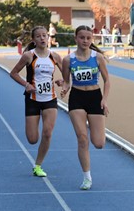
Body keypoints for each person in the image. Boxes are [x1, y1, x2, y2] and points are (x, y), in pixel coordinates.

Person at [9, 25, 64, 178]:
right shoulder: (29, 56)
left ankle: (38, 165)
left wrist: (63, 82)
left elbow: (67, 75)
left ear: (48, 37)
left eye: (44, 35)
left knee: (47, 133)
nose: (42, 38)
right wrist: (26, 84)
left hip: (50, 99)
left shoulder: (55, 56)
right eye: (38, 36)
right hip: (33, 99)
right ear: (33, 39)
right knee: (33, 139)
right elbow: (13, 73)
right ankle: (33, 126)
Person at [60, 25, 111, 191]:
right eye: (82, 37)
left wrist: (104, 100)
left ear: (92, 39)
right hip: (77, 98)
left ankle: (95, 128)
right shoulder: (68, 60)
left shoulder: (98, 58)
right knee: (82, 138)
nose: (85, 41)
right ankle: (87, 177)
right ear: (76, 38)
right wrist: (64, 87)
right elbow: (67, 81)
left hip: (95, 98)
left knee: (99, 143)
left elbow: (107, 80)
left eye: (88, 38)